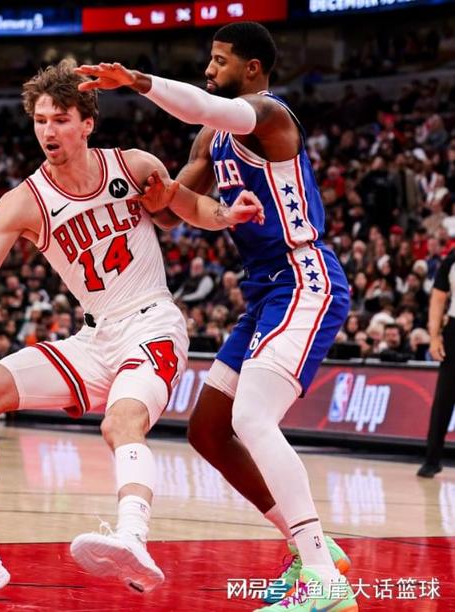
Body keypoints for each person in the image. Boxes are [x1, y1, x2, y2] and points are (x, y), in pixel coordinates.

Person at [0, 60, 263, 600]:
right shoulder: (23, 202)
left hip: (152, 324)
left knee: (121, 422)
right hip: (94, 338)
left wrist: (228, 215)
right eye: (40, 120)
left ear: (86, 123)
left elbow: (191, 207)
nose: (48, 131)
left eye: (60, 119)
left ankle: (132, 536)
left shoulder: (133, 165)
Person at [77, 22, 357, 611]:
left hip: (303, 278)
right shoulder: (212, 138)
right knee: (208, 429)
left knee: (253, 417)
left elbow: (201, 105)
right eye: (209, 59)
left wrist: (138, 81)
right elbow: (174, 210)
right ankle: (313, 549)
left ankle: (324, 583)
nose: (209, 69)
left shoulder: (270, 116)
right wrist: (153, 194)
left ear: (252, 69)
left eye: (221, 60)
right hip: (263, 293)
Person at [418, 249, 455, 478]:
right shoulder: (452, 260)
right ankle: (432, 459)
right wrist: (434, 337)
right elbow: (438, 299)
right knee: (445, 397)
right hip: (454, 330)